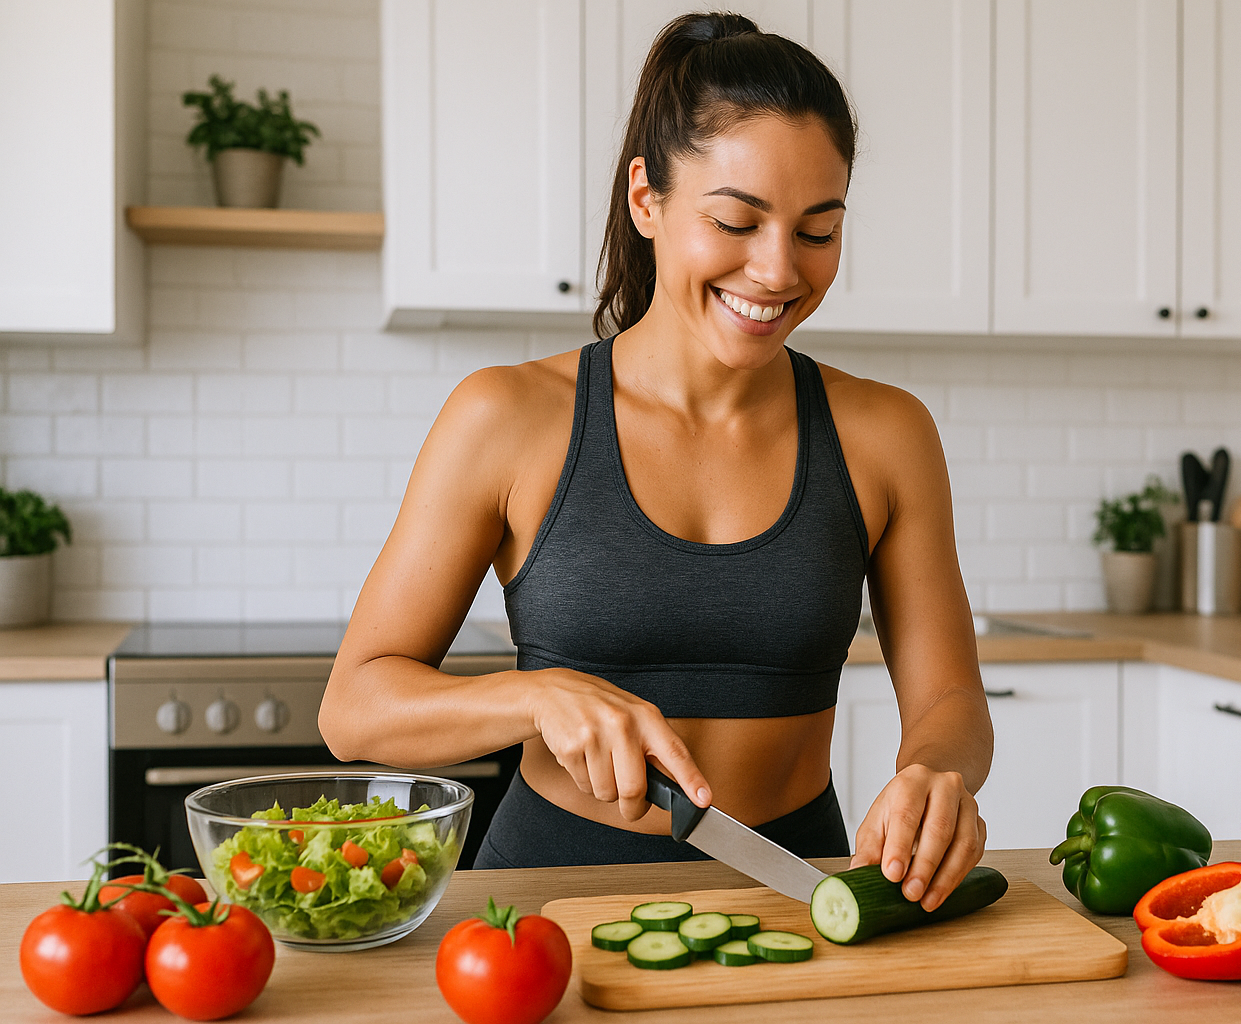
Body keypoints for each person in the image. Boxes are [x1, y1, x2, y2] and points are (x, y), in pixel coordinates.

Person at [320, 11, 992, 912]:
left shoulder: (888, 434)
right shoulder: (508, 417)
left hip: (799, 894)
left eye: (818, 230)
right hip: (548, 904)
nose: (777, 269)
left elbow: (951, 698)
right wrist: (536, 699)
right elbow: (355, 708)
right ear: (648, 199)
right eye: (735, 221)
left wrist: (937, 775)